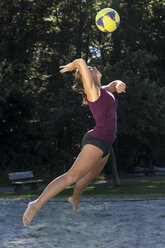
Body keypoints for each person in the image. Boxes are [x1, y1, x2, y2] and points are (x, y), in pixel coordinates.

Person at [22, 58, 126, 226]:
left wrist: (119, 83)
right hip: (97, 140)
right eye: (90, 68)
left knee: (87, 178)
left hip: (107, 143)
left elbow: (113, 85)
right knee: (72, 175)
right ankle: (35, 204)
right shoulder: (92, 91)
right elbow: (81, 62)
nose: (93, 67)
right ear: (87, 79)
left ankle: (74, 198)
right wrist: (74, 66)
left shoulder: (102, 89)